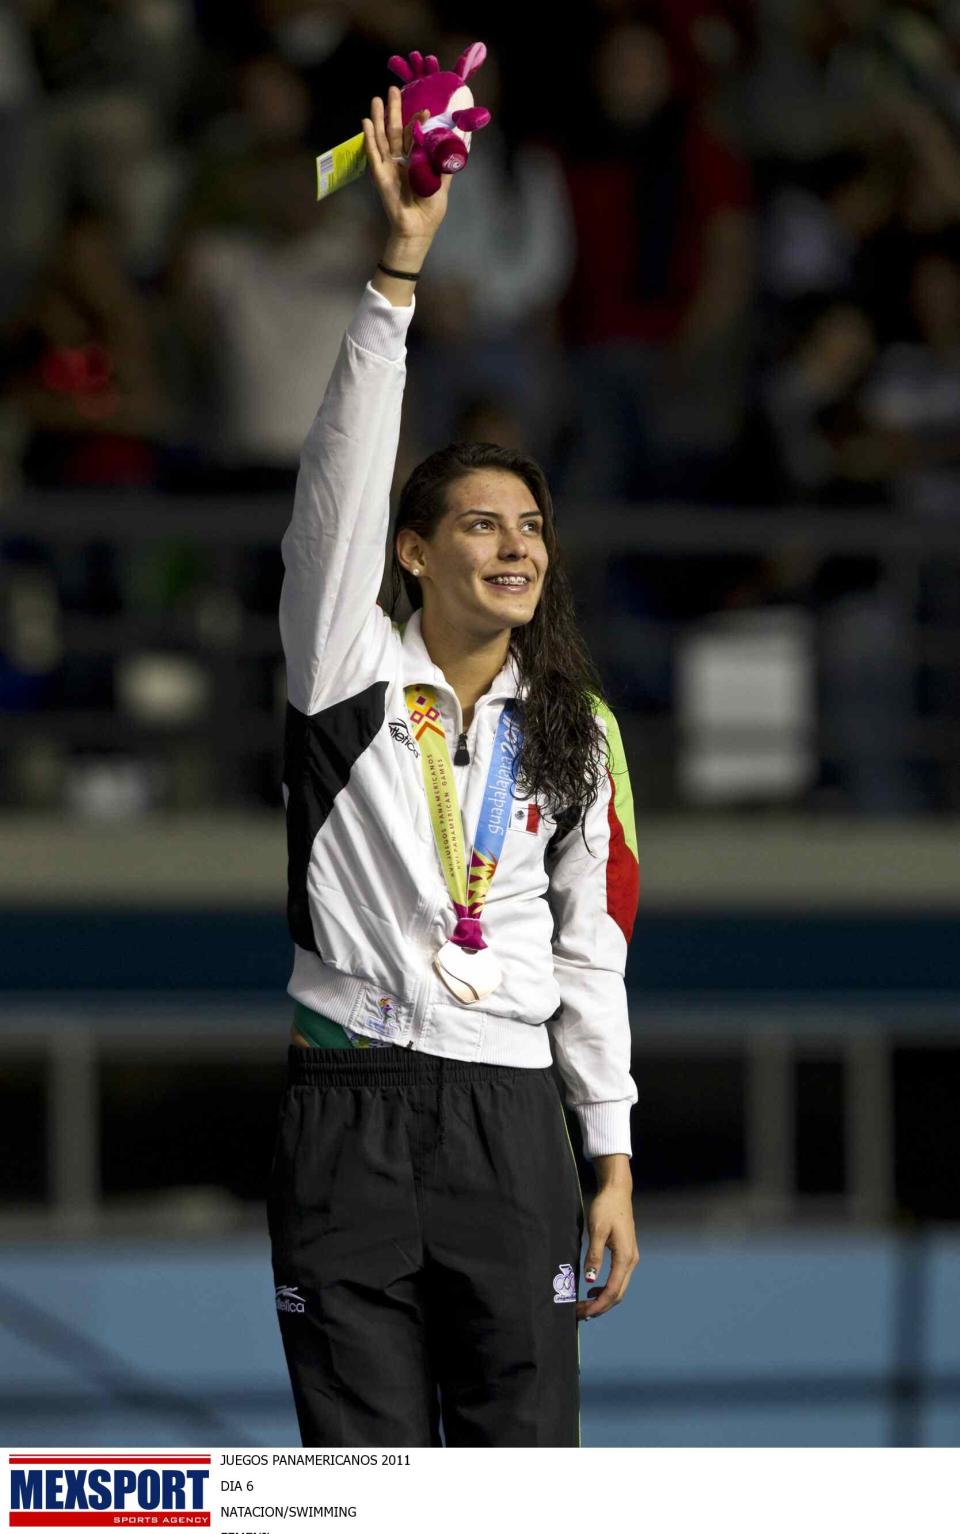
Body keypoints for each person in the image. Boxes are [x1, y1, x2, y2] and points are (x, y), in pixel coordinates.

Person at [268, 85, 640, 1449]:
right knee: (364, 1473)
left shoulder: (573, 728)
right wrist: (400, 265)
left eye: (531, 525)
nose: (514, 544)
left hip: (509, 1111)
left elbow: (591, 950)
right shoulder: (345, 673)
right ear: (414, 553)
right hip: (346, 1106)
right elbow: (340, 486)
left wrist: (608, 1152)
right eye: (478, 522)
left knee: (524, 1472)